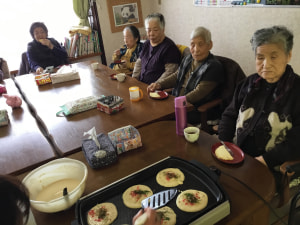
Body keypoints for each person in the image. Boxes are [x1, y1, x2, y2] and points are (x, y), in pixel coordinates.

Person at [218, 26, 300, 188]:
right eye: (260, 57)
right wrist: (224, 144)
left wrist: (265, 160)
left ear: (288, 56)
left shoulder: (297, 91)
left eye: (274, 57)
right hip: (237, 156)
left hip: (273, 167)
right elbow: (229, 115)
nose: (266, 64)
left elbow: (297, 141)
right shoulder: (249, 83)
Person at [147, 26, 225, 124]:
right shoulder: (188, 59)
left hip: (195, 108)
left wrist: (176, 103)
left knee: (161, 119)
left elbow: (199, 93)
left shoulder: (213, 66)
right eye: (192, 45)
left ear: (209, 45)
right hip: (178, 102)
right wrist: (159, 84)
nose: (196, 49)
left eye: (200, 44)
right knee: (152, 109)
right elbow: (177, 76)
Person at [132, 13, 181, 84]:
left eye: (155, 30)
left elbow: (170, 72)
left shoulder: (170, 48)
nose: (151, 33)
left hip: (157, 91)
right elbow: (139, 62)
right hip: (141, 85)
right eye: (148, 30)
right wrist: (134, 79)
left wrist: (156, 85)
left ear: (163, 29)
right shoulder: (146, 44)